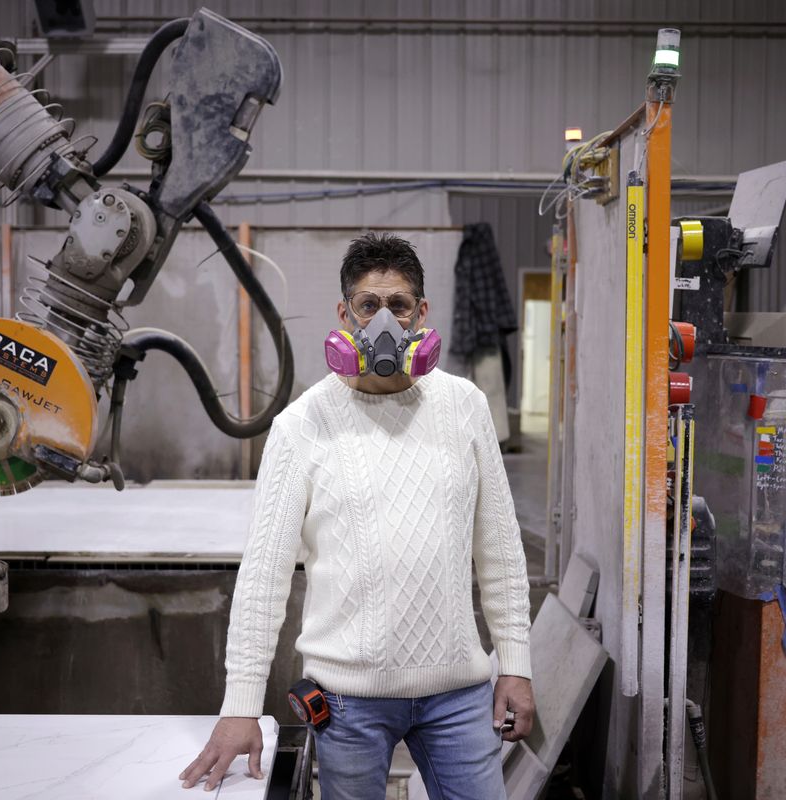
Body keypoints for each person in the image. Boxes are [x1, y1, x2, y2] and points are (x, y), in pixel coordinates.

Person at [181, 233, 534, 799]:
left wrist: (516, 664)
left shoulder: (465, 405)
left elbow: (499, 549)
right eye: (369, 306)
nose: (385, 322)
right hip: (348, 701)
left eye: (399, 305)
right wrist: (239, 706)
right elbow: (264, 577)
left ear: (422, 313)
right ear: (345, 314)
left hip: (460, 694)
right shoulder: (301, 425)